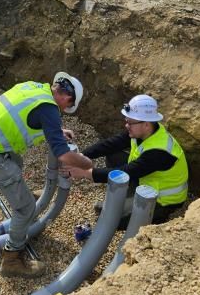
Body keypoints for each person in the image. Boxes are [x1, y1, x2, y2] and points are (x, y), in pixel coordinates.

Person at [0, 72, 93, 279]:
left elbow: (29, 115)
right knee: (25, 209)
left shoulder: (34, 87)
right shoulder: (49, 110)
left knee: (17, 163)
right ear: (67, 97)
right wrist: (86, 162)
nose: (62, 111)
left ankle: (23, 199)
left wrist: (56, 130)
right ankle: (12, 259)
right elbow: (64, 154)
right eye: (66, 107)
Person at [66, 94, 188, 227]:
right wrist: (81, 156)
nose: (126, 125)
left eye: (130, 122)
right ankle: (127, 197)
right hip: (145, 180)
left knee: (109, 219)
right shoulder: (144, 131)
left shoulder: (159, 152)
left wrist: (85, 173)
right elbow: (111, 144)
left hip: (162, 200)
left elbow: (126, 172)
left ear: (146, 124)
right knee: (113, 155)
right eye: (126, 120)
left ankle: (154, 216)